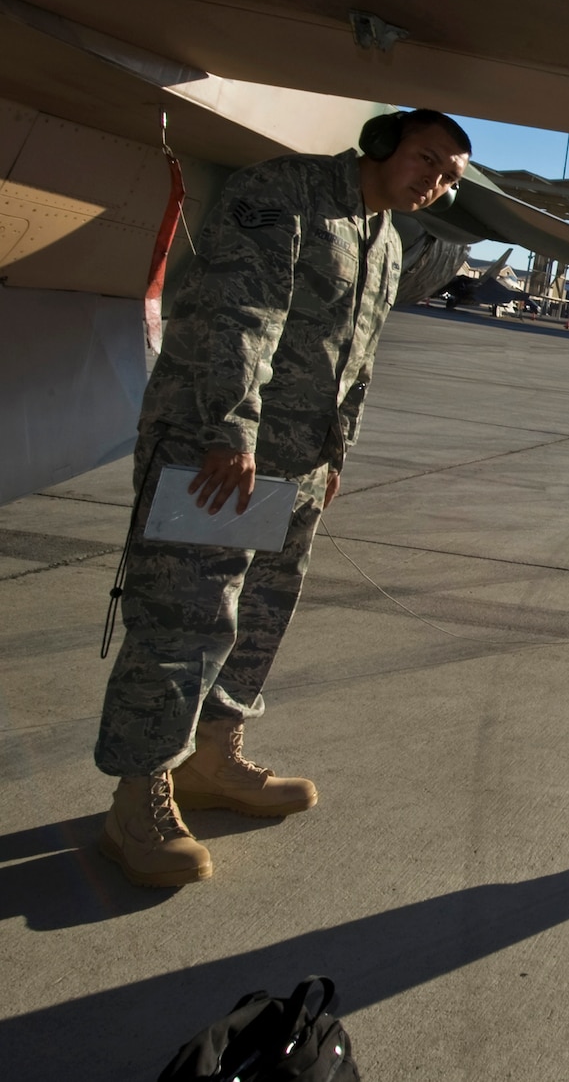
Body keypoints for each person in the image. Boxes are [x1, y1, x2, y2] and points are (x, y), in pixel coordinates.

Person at [96, 109, 471, 888]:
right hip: (217, 450)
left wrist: (334, 458)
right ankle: (140, 795)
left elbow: (358, 361)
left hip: (296, 467)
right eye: (426, 158)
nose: (433, 180)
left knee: (258, 613)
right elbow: (238, 314)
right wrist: (230, 429)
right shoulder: (288, 192)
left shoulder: (388, 241)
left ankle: (212, 757)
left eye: (448, 177)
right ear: (382, 143)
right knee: (182, 618)